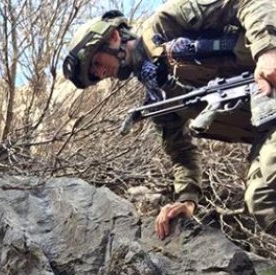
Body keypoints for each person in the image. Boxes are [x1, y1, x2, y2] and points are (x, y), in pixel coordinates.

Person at [62, 0, 276, 239]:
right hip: (267, 127)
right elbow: (181, 151)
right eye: (95, 75)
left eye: (96, 63)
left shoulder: (167, 22)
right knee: (262, 199)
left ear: (113, 37)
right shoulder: (158, 98)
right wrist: (186, 200)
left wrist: (267, 51)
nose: (101, 73)